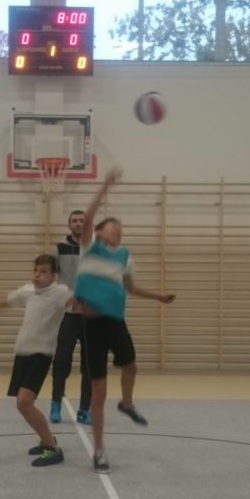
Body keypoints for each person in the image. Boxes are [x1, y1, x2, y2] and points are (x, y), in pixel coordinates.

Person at [74, 168, 175, 473]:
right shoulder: (89, 247)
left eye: (120, 228)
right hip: (92, 326)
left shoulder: (125, 257)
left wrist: (158, 296)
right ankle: (99, 451)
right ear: (99, 231)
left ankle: (127, 403)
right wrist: (105, 184)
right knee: (99, 392)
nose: (118, 231)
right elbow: (88, 218)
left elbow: (130, 288)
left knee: (131, 365)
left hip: (116, 322)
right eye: (112, 227)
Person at [0, 254, 71, 467]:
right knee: (22, 404)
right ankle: (46, 440)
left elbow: (78, 305)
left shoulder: (60, 292)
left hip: (41, 355)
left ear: (54, 275)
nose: (37, 275)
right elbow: (3, 303)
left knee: (24, 402)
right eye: (35, 270)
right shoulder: (27, 290)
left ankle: (53, 448)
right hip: (22, 353)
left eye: (43, 271)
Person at [49, 209, 93, 425]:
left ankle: (84, 409)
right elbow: (49, 279)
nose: (78, 224)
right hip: (68, 315)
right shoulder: (59, 249)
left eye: (82, 221)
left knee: (90, 365)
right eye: (74, 221)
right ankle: (55, 404)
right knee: (61, 361)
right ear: (69, 225)